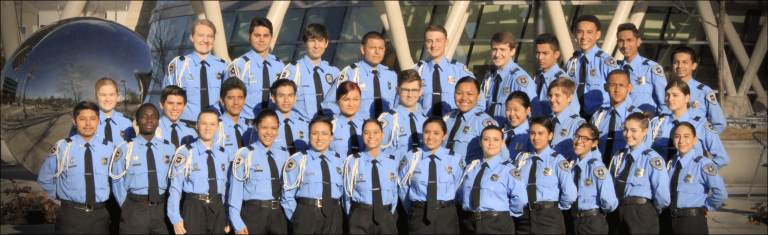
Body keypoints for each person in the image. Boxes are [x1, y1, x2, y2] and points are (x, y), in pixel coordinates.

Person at [39, 101, 115, 234]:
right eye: (82, 119)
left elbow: (116, 179)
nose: (87, 123)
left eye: (92, 118)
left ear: (98, 121)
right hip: (70, 216)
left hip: (100, 216)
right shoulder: (63, 147)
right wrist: (61, 196)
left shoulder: (108, 148)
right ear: (75, 121)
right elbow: (45, 178)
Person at [110, 103, 175, 234]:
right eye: (144, 116)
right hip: (135, 210)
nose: (149, 120)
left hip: (162, 209)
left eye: (153, 117)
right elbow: (117, 181)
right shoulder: (125, 149)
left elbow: (174, 180)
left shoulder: (170, 149)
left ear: (158, 121)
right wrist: (126, 207)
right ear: (137, 121)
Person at [167, 109, 231, 235]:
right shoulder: (185, 152)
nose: (208, 128)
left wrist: (227, 214)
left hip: (218, 208)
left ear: (218, 127)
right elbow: (175, 187)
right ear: (197, 126)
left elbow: (226, 189)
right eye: (203, 123)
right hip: (194, 208)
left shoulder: (223, 154)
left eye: (212, 124)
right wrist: (175, 217)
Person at [228, 109, 290, 234]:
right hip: (253, 215)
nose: (269, 132)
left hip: (278, 215)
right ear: (256, 127)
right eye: (264, 127)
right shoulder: (244, 155)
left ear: (278, 129)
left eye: (273, 128)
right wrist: (236, 222)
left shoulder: (284, 154)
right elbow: (235, 191)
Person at [607, 113, 670, 234]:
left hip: (641, 213)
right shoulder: (619, 157)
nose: (628, 134)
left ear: (645, 131)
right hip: (618, 211)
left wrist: (649, 211)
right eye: (625, 129)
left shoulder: (652, 159)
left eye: (633, 130)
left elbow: (663, 196)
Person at [399, 117, 463, 234]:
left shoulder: (454, 159)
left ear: (444, 136)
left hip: (447, 215)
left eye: (436, 133)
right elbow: (403, 189)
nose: (430, 137)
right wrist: (416, 209)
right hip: (419, 215)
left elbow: (458, 187)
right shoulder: (411, 158)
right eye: (427, 132)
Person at [458, 125, 527, 234]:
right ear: (480, 142)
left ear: (502, 143)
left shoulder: (508, 170)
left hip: (497, 223)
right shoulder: (471, 168)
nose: (491, 143)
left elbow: (520, 199)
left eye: (496, 140)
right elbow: (461, 195)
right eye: (486, 139)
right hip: (470, 222)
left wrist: (504, 216)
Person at [512, 116, 576, 234]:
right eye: (532, 133)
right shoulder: (522, 160)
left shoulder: (557, 161)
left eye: (541, 133)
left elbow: (570, 194)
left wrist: (554, 208)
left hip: (549, 218)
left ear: (550, 135)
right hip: (524, 218)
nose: (536, 137)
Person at [660, 122, 727, 234]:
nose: (681, 141)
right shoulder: (671, 164)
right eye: (677, 136)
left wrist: (706, 207)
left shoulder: (703, 164)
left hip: (692, 222)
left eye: (686, 136)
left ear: (695, 140)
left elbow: (721, 193)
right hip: (668, 221)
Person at [282, 116, 345, 234]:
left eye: (325, 133)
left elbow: (343, 193)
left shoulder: (339, 161)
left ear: (331, 136)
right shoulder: (298, 160)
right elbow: (287, 195)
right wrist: (297, 218)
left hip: (334, 214)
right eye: (315, 133)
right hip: (307, 215)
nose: (320, 138)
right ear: (309, 135)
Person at [647, 80, 729, 169]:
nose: (670, 99)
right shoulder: (656, 124)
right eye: (667, 95)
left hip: (688, 180)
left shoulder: (700, 126)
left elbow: (722, 158)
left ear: (687, 98)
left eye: (675, 95)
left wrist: (701, 172)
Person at [163, 19, 229, 125]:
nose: (205, 40)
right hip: (185, 126)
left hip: (214, 127)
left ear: (214, 39)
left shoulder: (224, 67)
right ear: (192, 37)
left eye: (210, 36)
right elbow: (166, 100)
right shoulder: (178, 65)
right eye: (200, 35)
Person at [341, 119, 399, 234]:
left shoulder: (392, 162)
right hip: (360, 216)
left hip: (386, 216)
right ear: (362, 136)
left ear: (382, 135)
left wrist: (389, 213)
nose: (371, 136)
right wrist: (353, 215)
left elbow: (395, 192)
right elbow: (347, 194)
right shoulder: (353, 161)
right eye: (367, 132)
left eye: (376, 132)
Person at [411, 25, 482, 117]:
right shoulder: (415, 73)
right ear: (424, 43)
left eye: (438, 40)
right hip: (423, 127)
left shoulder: (460, 71)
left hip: (453, 126)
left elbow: (480, 103)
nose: (433, 45)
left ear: (446, 42)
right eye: (429, 41)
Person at [224, 17, 285, 123]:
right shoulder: (238, 66)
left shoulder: (279, 65)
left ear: (272, 38)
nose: (261, 40)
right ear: (249, 37)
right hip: (247, 126)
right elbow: (226, 100)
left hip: (273, 127)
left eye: (266, 36)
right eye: (257, 35)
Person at [326, 31, 398, 120]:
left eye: (381, 48)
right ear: (363, 49)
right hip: (358, 131)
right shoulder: (350, 73)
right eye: (372, 47)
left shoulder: (391, 75)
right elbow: (330, 105)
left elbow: (397, 107)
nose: (377, 52)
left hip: (385, 131)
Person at [280, 23, 340, 120]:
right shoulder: (293, 71)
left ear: (326, 43)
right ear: (304, 43)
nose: (316, 46)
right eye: (312, 41)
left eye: (321, 41)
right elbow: (280, 105)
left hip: (328, 130)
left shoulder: (335, 72)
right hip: (301, 131)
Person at [569, 123, 618, 234]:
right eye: (577, 136)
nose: (579, 141)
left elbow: (610, 201)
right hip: (574, 221)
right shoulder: (572, 167)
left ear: (594, 143)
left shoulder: (597, 167)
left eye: (585, 138)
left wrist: (600, 212)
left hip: (592, 221)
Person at [565, 15, 618, 119]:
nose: (584, 37)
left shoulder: (606, 62)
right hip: (575, 118)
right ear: (575, 34)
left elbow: (620, 91)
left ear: (598, 34)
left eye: (589, 32)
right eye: (580, 32)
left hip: (599, 118)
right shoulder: (572, 62)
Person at [482, 31, 540, 124]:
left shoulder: (519, 79)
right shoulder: (489, 78)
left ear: (512, 51)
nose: (497, 54)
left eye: (502, 49)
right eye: (494, 49)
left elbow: (534, 113)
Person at [668, 46, 726, 135]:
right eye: (676, 62)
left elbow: (719, 124)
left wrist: (703, 141)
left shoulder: (704, 92)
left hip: (695, 145)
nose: (680, 66)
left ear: (694, 65)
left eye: (685, 62)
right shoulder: (665, 91)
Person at [590, 70, 643, 165]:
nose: (617, 89)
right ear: (605, 87)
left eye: (622, 85)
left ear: (629, 88)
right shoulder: (598, 117)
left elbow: (643, 150)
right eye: (613, 85)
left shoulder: (638, 117)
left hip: (624, 169)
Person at [615, 23, 667, 117]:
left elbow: (664, 102)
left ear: (638, 42)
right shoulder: (614, 69)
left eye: (629, 40)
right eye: (621, 41)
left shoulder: (651, 69)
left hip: (645, 126)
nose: (625, 45)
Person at [443, 77, 498, 162]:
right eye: (459, 93)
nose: (464, 98)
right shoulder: (447, 118)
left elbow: (499, 156)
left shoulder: (484, 123)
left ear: (478, 96)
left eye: (470, 94)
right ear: (454, 94)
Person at [378, 69, 427, 158]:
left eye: (415, 90)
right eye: (405, 90)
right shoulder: (388, 121)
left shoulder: (425, 121)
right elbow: (375, 154)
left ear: (420, 91)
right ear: (397, 90)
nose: (410, 95)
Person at [68, 77, 134, 142]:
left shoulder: (127, 123)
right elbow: (72, 148)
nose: (108, 99)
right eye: (103, 95)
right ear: (95, 96)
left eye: (112, 95)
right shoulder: (84, 122)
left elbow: (133, 149)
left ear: (117, 96)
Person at [535, 33, 580, 117]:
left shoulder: (563, 80)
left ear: (557, 54)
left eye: (545, 53)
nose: (540, 57)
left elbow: (573, 112)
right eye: (538, 52)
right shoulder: (538, 78)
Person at [268, 79, 310, 156]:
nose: (286, 100)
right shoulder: (266, 124)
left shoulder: (304, 124)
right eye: (281, 96)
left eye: (290, 95)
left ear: (295, 98)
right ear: (273, 99)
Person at [215, 77, 253, 161]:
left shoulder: (250, 128)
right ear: (222, 100)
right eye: (230, 98)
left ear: (244, 100)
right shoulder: (215, 128)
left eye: (240, 97)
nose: (236, 102)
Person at [548, 77, 586, 161]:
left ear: (570, 97)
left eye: (557, 95)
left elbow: (589, 156)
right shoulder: (547, 123)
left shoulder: (577, 124)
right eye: (550, 95)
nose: (552, 99)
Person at [329, 81, 366, 159]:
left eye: (355, 99)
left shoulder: (366, 126)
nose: (351, 104)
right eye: (346, 100)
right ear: (337, 101)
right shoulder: (330, 127)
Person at [503, 91, 534, 160]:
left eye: (516, 110)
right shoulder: (503, 133)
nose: (511, 114)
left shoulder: (530, 136)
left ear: (528, 110)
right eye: (508, 110)